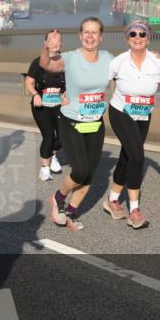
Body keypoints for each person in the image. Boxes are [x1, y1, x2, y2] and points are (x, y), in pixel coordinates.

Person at [103, 22, 160, 229]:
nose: (137, 37)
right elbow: (97, 83)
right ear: (127, 38)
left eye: (142, 34)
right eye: (133, 34)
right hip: (120, 111)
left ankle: (112, 201)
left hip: (143, 115)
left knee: (127, 156)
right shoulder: (118, 62)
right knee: (138, 156)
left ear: (148, 39)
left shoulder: (157, 63)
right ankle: (134, 210)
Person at [40, 20, 113, 232]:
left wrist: (151, 56)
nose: (90, 37)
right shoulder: (70, 57)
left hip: (95, 123)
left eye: (95, 33)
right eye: (86, 33)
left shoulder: (109, 59)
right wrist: (47, 48)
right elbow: (47, 65)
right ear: (81, 36)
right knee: (80, 171)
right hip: (72, 121)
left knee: (89, 174)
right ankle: (58, 197)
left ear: (101, 37)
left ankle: (70, 212)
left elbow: (130, 66)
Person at [25, 31, 65, 181]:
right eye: (52, 40)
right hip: (41, 105)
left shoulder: (66, 62)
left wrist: (65, 95)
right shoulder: (38, 62)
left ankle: (52, 154)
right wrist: (35, 94)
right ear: (45, 43)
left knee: (63, 137)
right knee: (48, 136)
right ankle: (45, 168)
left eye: (58, 40)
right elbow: (28, 82)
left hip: (60, 105)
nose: (56, 42)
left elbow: (72, 83)